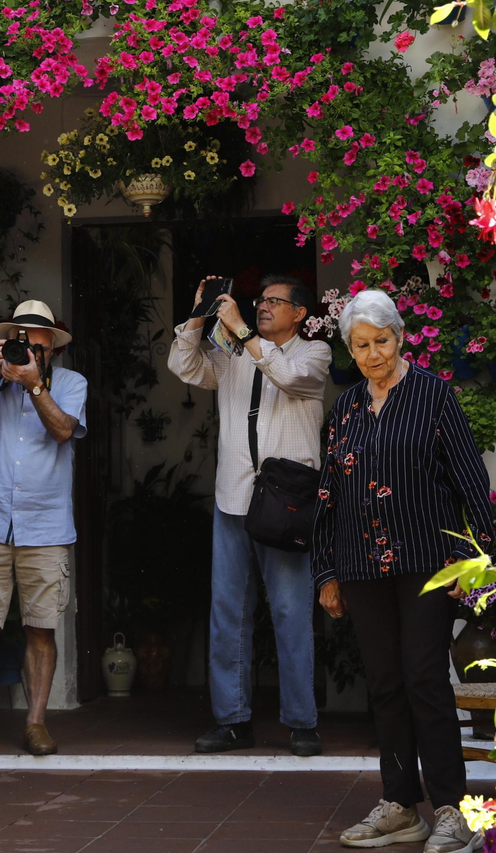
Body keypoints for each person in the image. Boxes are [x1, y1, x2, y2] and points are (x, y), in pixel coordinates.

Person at [312, 290, 496, 852]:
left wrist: (480, 557)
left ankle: (451, 808)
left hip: (428, 562)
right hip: (362, 563)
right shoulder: (344, 409)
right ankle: (399, 805)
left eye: (382, 341)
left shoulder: (435, 397)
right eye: (361, 345)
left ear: (400, 336)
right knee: (386, 684)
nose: (373, 355)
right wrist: (327, 572)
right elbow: (329, 494)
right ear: (350, 347)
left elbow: (470, 480)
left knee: (423, 680)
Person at [167, 273, 331, 756]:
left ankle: (302, 723)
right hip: (233, 499)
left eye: (274, 302)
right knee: (227, 614)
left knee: (290, 612)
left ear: (299, 314)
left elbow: (285, 376)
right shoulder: (234, 355)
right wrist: (199, 315)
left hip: (288, 505)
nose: (262, 306)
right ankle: (233, 720)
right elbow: (184, 365)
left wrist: (242, 332)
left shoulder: (313, 355)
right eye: (260, 300)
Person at [0, 300, 86, 758]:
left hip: (45, 525)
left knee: (41, 629)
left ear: (53, 351)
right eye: (22, 344)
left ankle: (37, 723)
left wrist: (35, 386)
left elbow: (63, 430)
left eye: (38, 347)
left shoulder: (71, 383)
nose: (30, 352)